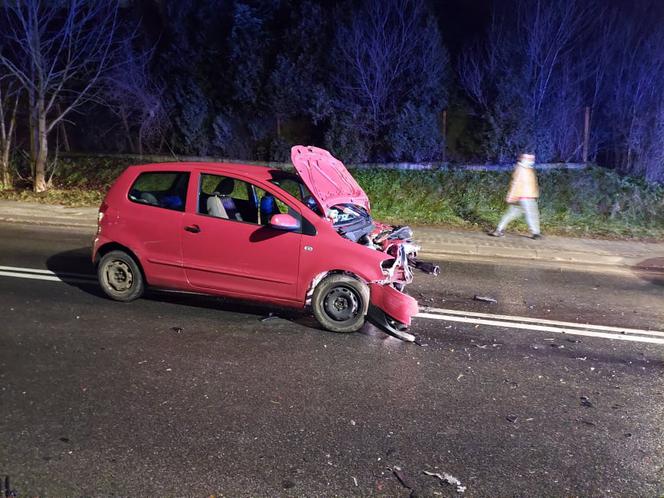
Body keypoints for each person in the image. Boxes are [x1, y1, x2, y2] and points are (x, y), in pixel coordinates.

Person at [489, 153, 542, 239]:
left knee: (511, 214)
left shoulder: (526, 169)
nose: (531, 161)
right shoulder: (522, 169)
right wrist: (511, 196)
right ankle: (536, 233)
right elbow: (516, 183)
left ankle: (499, 230)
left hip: (524, 196)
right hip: (524, 197)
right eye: (530, 159)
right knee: (531, 214)